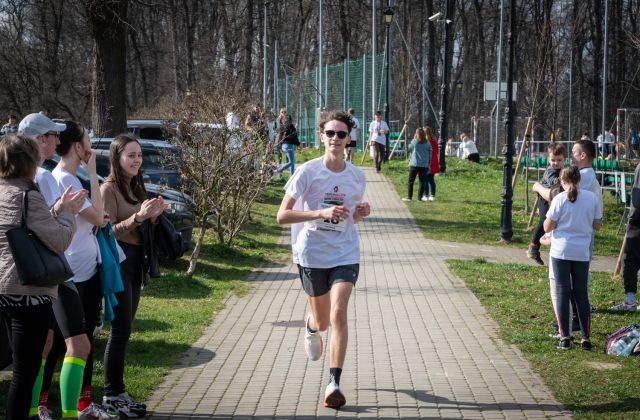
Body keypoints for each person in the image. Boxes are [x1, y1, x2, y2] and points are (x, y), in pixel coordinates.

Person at [276, 110, 371, 409]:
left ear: (348, 138)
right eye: (330, 133)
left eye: (341, 134)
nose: (335, 139)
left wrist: (359, 214)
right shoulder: (307, 171)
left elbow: (349, 219)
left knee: (339, 313)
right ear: (322, 137)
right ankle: (310, 325)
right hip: (312, 253)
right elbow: (282, 217)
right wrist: (320, 212)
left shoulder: (357, 176)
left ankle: (334, 384)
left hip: (344, 252)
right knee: (322, 321)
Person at [0, 134, 83, 420]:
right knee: (25, 372)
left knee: (12, 364)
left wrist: (58, 208)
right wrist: (70, 213)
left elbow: (27, 224)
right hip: (28, 294)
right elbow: (58, 239)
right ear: (29, 163)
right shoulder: (27, 194)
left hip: (2, 292)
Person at [40, 121, 115, 420]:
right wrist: (95, 177)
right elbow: (97, 217)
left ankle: (82, 404)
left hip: (86, 270)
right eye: (87, 138)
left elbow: (96, 217)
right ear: (76, 146)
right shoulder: (64, 180)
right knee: (60, 342)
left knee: (81, 340)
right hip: (71, 272)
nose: (91, 143)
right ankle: (48, 405)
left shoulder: (71, 177)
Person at [100, 135, 164, 417]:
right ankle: (112, 393)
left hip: (136, 261)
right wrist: (138, 217)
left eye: (139, 155)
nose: (137, 160)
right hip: (119, 261)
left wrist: (153, 215)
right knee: (120, 329)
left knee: (125, 329)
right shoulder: (108, 189)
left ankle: (117, 391)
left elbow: (141, 225)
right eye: (131, 155)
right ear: (117, 158)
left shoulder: (135, 186)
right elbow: (106, 232)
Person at [544, 165, 601, 351]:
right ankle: (586, 339)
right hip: (582, 252)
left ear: (562, 181)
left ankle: (565, 337)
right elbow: (597, 224)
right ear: (579, 180)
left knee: (562, 293)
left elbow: (547, 226)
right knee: (581, 293)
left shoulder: (560, 199)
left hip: (561, 251)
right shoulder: (592, 198)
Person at [529, 143, 567, 265]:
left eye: (559, 160)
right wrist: (564, 180)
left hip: (552, 199)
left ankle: (544, 241)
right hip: (544, 199)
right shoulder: (551, 171)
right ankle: (533, 247)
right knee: (544, 219)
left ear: (564, 159)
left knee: (552, 221)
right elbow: (554, 183)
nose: (556, 163)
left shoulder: (562, 170)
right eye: (553, 160)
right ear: (548, 159)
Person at [609, 161, 640, 312]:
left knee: (630, 260)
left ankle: (630, 300)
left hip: (638, 222)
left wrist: (631, 219)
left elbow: (637, 196)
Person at [18, 113, 66, 207]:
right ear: (42, 139)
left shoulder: (10, 175)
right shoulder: (43, 176)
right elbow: (55, 220)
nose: (58, 142)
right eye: (56, 135)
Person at [402, 128, 431, 202]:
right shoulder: (428, 143)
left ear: (417, 134)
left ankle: (409, 197)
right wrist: (429, 164)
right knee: (422, 182)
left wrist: (413, 139)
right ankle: (419, 198)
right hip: (424, 165)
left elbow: (409, 148)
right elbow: (430, 155)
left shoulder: (415, 142)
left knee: (411, 181)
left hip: (414, 164)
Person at [276, 110, 299, 176]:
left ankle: (292, 176)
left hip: (284, 145)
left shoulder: (284, 126)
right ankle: (278, 170)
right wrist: (297, 143)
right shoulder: (291, 126)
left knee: (292, 162)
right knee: (291, 162)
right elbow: (293, 136)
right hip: (288, 145)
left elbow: (283, 135)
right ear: (290, 120)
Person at [424, 126, 440, 201]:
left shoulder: (426, 142)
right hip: (433, 163)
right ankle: (433, 195)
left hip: (427, 163)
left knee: (425, 180)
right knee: (431, 180)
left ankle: (426, 195)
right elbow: (437, 151)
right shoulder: (434, 141)